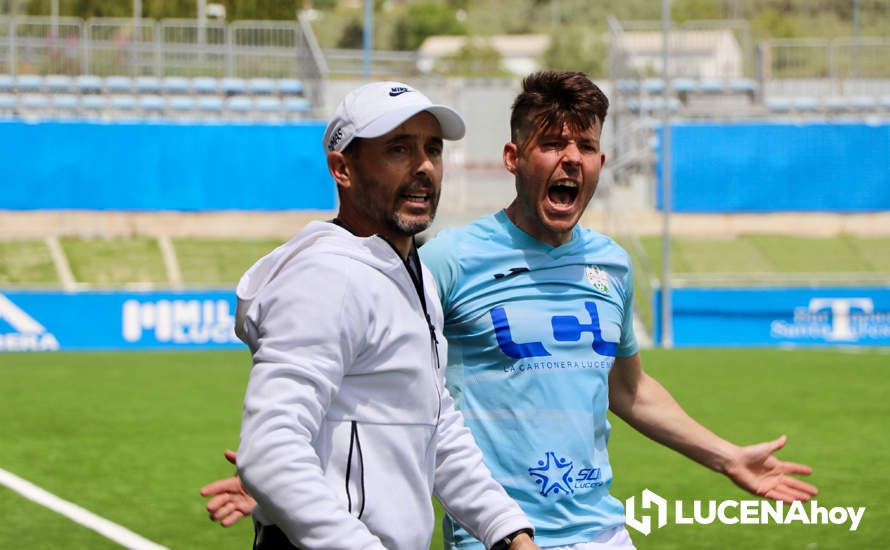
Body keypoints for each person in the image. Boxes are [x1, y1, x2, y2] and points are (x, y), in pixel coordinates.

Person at [203, 71, 817, 548]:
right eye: (552, 143)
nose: (571, 157)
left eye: (586, 145)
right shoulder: (441, 262)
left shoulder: (610, 265)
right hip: (481, 539)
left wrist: (727, 456)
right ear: (514, 158)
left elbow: (622, 389)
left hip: (591, 530)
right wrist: (282, 473)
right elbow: (308, 398)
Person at [227, 80, 537, 550]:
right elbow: (269, 450)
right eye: (398, 149)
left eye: (433, 149)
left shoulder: (412, 271)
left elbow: (435, 420)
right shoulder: (328, 277)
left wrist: (506, 529)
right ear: (342, 169)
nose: (424, 167)